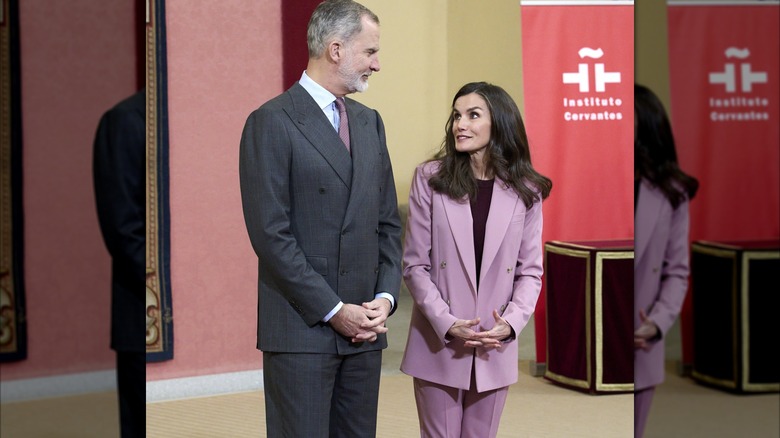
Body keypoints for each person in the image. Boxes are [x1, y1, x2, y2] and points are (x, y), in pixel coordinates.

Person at [238, 1, 402, 436]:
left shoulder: (371, 124)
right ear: (335, 49)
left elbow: (388, 226)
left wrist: (384, 300)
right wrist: (333, 310)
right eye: (369, 52)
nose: (377, 64)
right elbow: (271, 236)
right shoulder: (271, 122)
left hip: (366, 329)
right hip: (302, 331)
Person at [400, 81, 552, 437]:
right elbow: (415, 265)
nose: (460, 125)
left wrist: (511, 324)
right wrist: (447, 321)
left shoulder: (527, 191)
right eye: (456, 116)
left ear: (498, 123)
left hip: (493, 344)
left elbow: (531, 272)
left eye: (472, 115)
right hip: (440, 341)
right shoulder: (430, 179)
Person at [633, 83, 698, 438]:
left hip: (642, 338)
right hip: (608, 334)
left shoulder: (672, 193)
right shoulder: (606, 180)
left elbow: (677, 272)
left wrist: (656, 324)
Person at [92, 90, 146, 438]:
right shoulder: (125, 120)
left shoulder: (186, 118)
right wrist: (172, 286)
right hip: (142, 313)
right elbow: (123, 230)